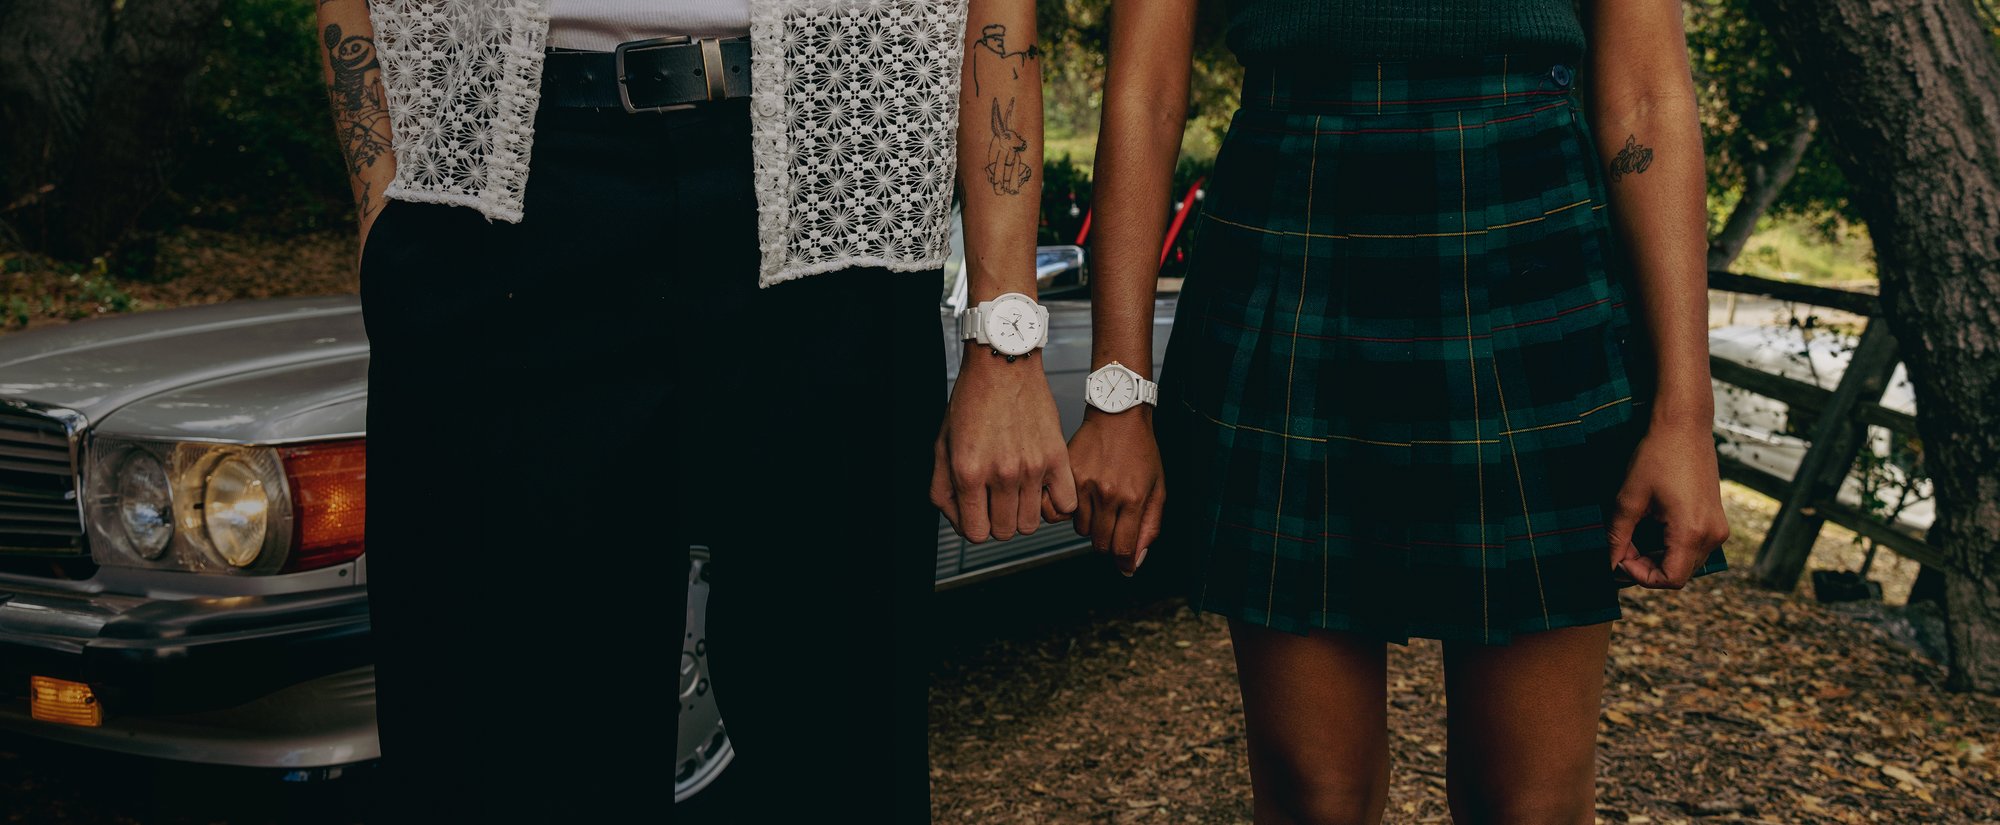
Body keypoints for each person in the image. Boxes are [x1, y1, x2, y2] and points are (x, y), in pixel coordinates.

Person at [315, 0, 1065, 821]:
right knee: (494, 748)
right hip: (498, 195)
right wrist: (382, 218)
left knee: (839, 744)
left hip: (840, 163)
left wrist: (1005, 326)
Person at [1070, 1, 1733, 822]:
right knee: (1315, 797)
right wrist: (1117, 393)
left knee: (1529, 803)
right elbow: (1146, 89)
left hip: (1526, 226)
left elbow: (1647, 94)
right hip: (1288, 219)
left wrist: (1684, 415)